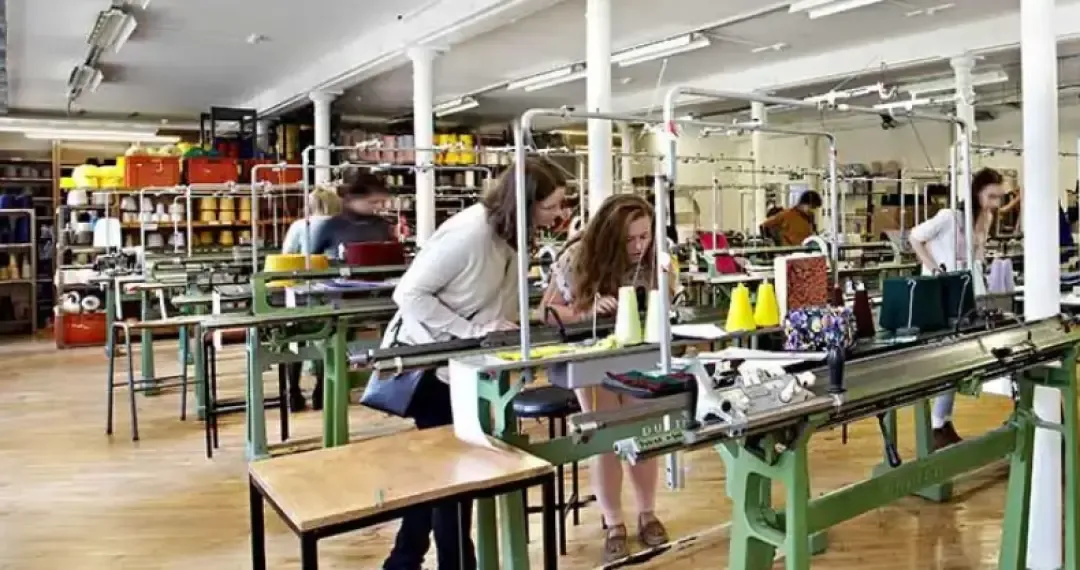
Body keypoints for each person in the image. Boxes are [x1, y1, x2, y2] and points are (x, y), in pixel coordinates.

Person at [380, 157, 568, 570]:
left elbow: (497, 298)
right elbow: (409, 295)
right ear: (523, 203)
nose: (559, 214)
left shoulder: (513, 235)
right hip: (432, 364)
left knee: (442, 474)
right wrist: (471, 329)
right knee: (452, 478)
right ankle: (447, 562)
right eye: (551, 206)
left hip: (466, 365)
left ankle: (403, 560)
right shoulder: (469, 233)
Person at [538, 194, 674, 563]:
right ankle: (614, 523)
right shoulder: (577, 257)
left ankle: (647, 513)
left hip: (638, 353)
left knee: (642, 433)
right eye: (629, 240)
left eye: (644, 236)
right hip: (592, 354)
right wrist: (586, 311)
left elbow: (669, 302)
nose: (638, 246)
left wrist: (665, 286)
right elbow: (548, 312)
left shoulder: (655, 255)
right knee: (605, 435)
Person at [909, 167, 1006, 450]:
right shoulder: (949, 217)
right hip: (941, 294)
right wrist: (934, 268)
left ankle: (943, 421)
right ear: (976, 193)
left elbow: (977, 259)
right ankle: (937, 423)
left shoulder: (986, 219)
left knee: (960, 358)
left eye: (998, 198)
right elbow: (915, 237)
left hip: (966, 293)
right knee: (948, 358)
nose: (995, 204)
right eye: (991, 196)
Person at [280, 186, 342, 411]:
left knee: (294, 340)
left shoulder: (300, 226)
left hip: (301, 292)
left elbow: (286, 257)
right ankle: (321, 393)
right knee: (329, 340)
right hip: (332, 292)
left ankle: (293, 394)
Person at [310, 171, 395, 258]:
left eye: (382, 202)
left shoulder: (382, 225)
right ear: (354, 199)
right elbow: (312, 258)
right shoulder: (332, 226)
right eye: (374, 202)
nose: (379, 206)